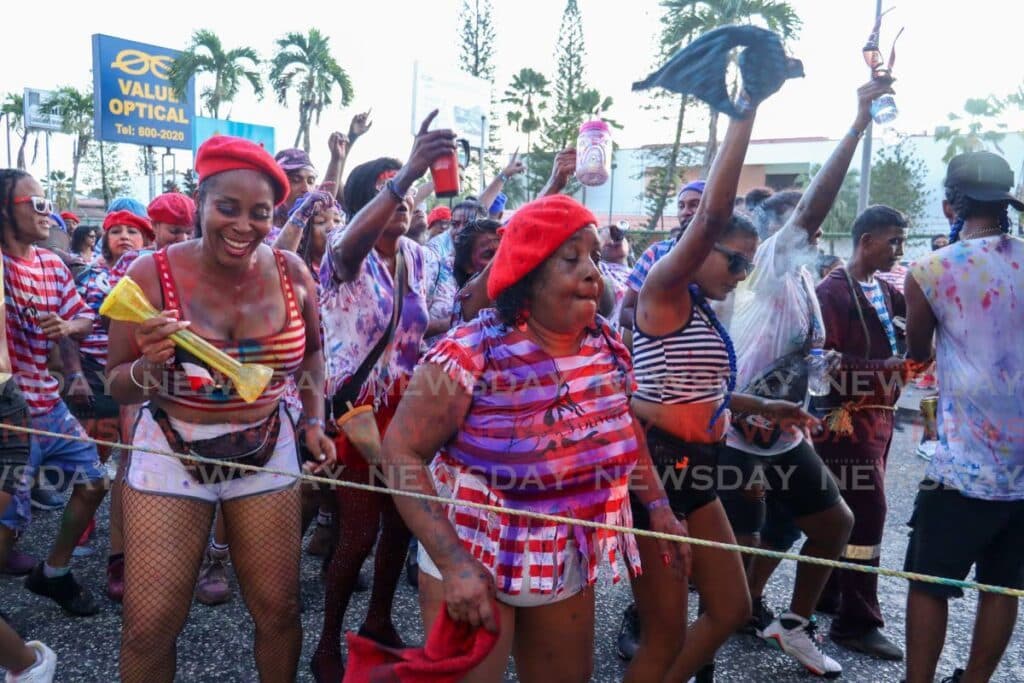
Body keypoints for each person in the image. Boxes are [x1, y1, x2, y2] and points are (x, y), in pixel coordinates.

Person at [380, 192, 687, 682]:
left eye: (592, 256)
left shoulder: (607, 347)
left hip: (562, 551)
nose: (594, 272)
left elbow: (623, 433)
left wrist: (661, 508)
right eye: (572, 258)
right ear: (527, 273)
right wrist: (453, 564)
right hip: (470, 548)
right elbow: (400, 453)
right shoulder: (467, 353)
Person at [105, 135, 334, 681]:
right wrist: (150, 366)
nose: (243, 225)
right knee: (149, 626)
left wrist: (315, 421)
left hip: (265, 449)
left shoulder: (292, 273)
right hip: (172, 451)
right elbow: (116, 384)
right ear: (201, 203)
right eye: (227, 208)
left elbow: (316, 357)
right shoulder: (148, 276)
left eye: (259, 213)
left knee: (279, 613)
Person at [627, 93, 824, 682]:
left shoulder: (707, 309)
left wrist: (763, 404)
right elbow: (710, 216)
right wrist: (746, 116)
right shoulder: (664, 294)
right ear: (695, 248)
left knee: (731, 609)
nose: (741, 275)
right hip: (657, 474)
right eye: (733, 262)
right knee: (661, 636)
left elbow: (696, 390)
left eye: (748, 264)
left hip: (700, 469)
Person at [719, 79, 892, 679]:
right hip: (737, 433)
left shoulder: (803, 284)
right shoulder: (765, 266)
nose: (811, 233)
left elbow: (810, 356)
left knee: (834, 524)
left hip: (786, 433)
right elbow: (814, 205)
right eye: (801, 226)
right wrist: (856, 125)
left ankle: (792, 625)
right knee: (728, 564)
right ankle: (685, 644)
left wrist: (823, 378)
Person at [312, 113, 454, 681]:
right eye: (385, 190)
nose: (402, 200)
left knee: (403, 523)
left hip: (408, 409)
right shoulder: (342, 256)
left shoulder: (421, 259)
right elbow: (345, 254)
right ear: (360, 203)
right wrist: (410, 170)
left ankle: (376, 621)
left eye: (406, 191)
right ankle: (327, 640)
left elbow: (444, 317)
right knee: (359, 529)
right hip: (357, 412)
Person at [902, 151, 1024, 683]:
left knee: (930, 582)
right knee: (1004, 585)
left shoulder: (930, 270)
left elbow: (919, 352)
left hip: (961, 466)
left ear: (951, 203)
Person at [0, 170, 108, 616]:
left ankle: (55, 571)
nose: (48, 213)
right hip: (8, 414)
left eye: (48, 204)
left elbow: (85, 318)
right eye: (37, 203)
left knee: (94, 483)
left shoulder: (50, 264)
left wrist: (67, 327)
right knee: (6, 522)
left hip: (48, 404)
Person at [814, 204, 908, 661]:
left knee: (848, 513)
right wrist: (883, 369)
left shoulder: (887, 292)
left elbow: (911, 340)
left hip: (879, 419)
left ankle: (829, 594)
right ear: (866, 240)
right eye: (892, 240)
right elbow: (822, 363)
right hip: (844, 422)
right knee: (866, 518)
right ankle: (857, 621)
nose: (899, 250)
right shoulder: (831, 292)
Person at [67, 209, 152, 566]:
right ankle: (82, 524)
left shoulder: (154, 277)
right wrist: (75, 375)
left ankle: (128, 540)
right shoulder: (91, 277)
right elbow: (74, 327)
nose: (124, 236)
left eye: (133, 231)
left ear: (146, 240)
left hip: (137, 377)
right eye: (115, 231)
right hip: (97, 375)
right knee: (95, 457)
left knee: (134, 460)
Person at [0, 231, 58, 682]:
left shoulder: (47, 265)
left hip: (13, 405)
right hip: (20, 405)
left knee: (93, 478)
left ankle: (27, 667)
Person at [617, 180, 705, 335]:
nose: (685, 211)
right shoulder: (656, 253)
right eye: (681, 206)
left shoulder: (723, 257)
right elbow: (626, 311)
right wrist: (667, 334)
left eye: (694, 204)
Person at [598, 223, 631, 331]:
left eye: (618, 236)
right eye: (609, 236)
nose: (613, 240)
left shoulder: (639, 272)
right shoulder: (599, 268)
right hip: (615, 334)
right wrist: (602, 240)